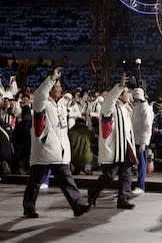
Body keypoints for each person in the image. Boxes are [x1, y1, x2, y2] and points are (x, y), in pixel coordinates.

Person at [22, 67, 91, 218]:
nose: (61, 90)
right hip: (44, 150)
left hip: (58, 150)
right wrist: (52, 78)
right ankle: (29, 207)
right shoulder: (42, 103)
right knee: (35, 182)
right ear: (51, 89)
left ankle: (77, 205)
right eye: (58, 87)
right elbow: (40, 93)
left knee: (65, 179)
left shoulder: (60, 105)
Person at [88, 74, 137, 210]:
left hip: (125, 147)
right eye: (126, 93)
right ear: (119, 94)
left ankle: (123, 199)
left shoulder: (126, 108)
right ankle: (93, 191)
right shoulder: (108, 107)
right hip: (114, 149)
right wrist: (119, 86)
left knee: (126, 175)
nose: (128, 95)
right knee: (109, 176)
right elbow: (109, 99)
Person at [131, 88, 154, 195]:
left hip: (140, 140)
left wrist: (144, 142)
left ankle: (141, 185)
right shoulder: (137, 107)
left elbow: (147, 127)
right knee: (139, 163)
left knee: (142, 164)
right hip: (135, 139)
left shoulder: (145, 109)